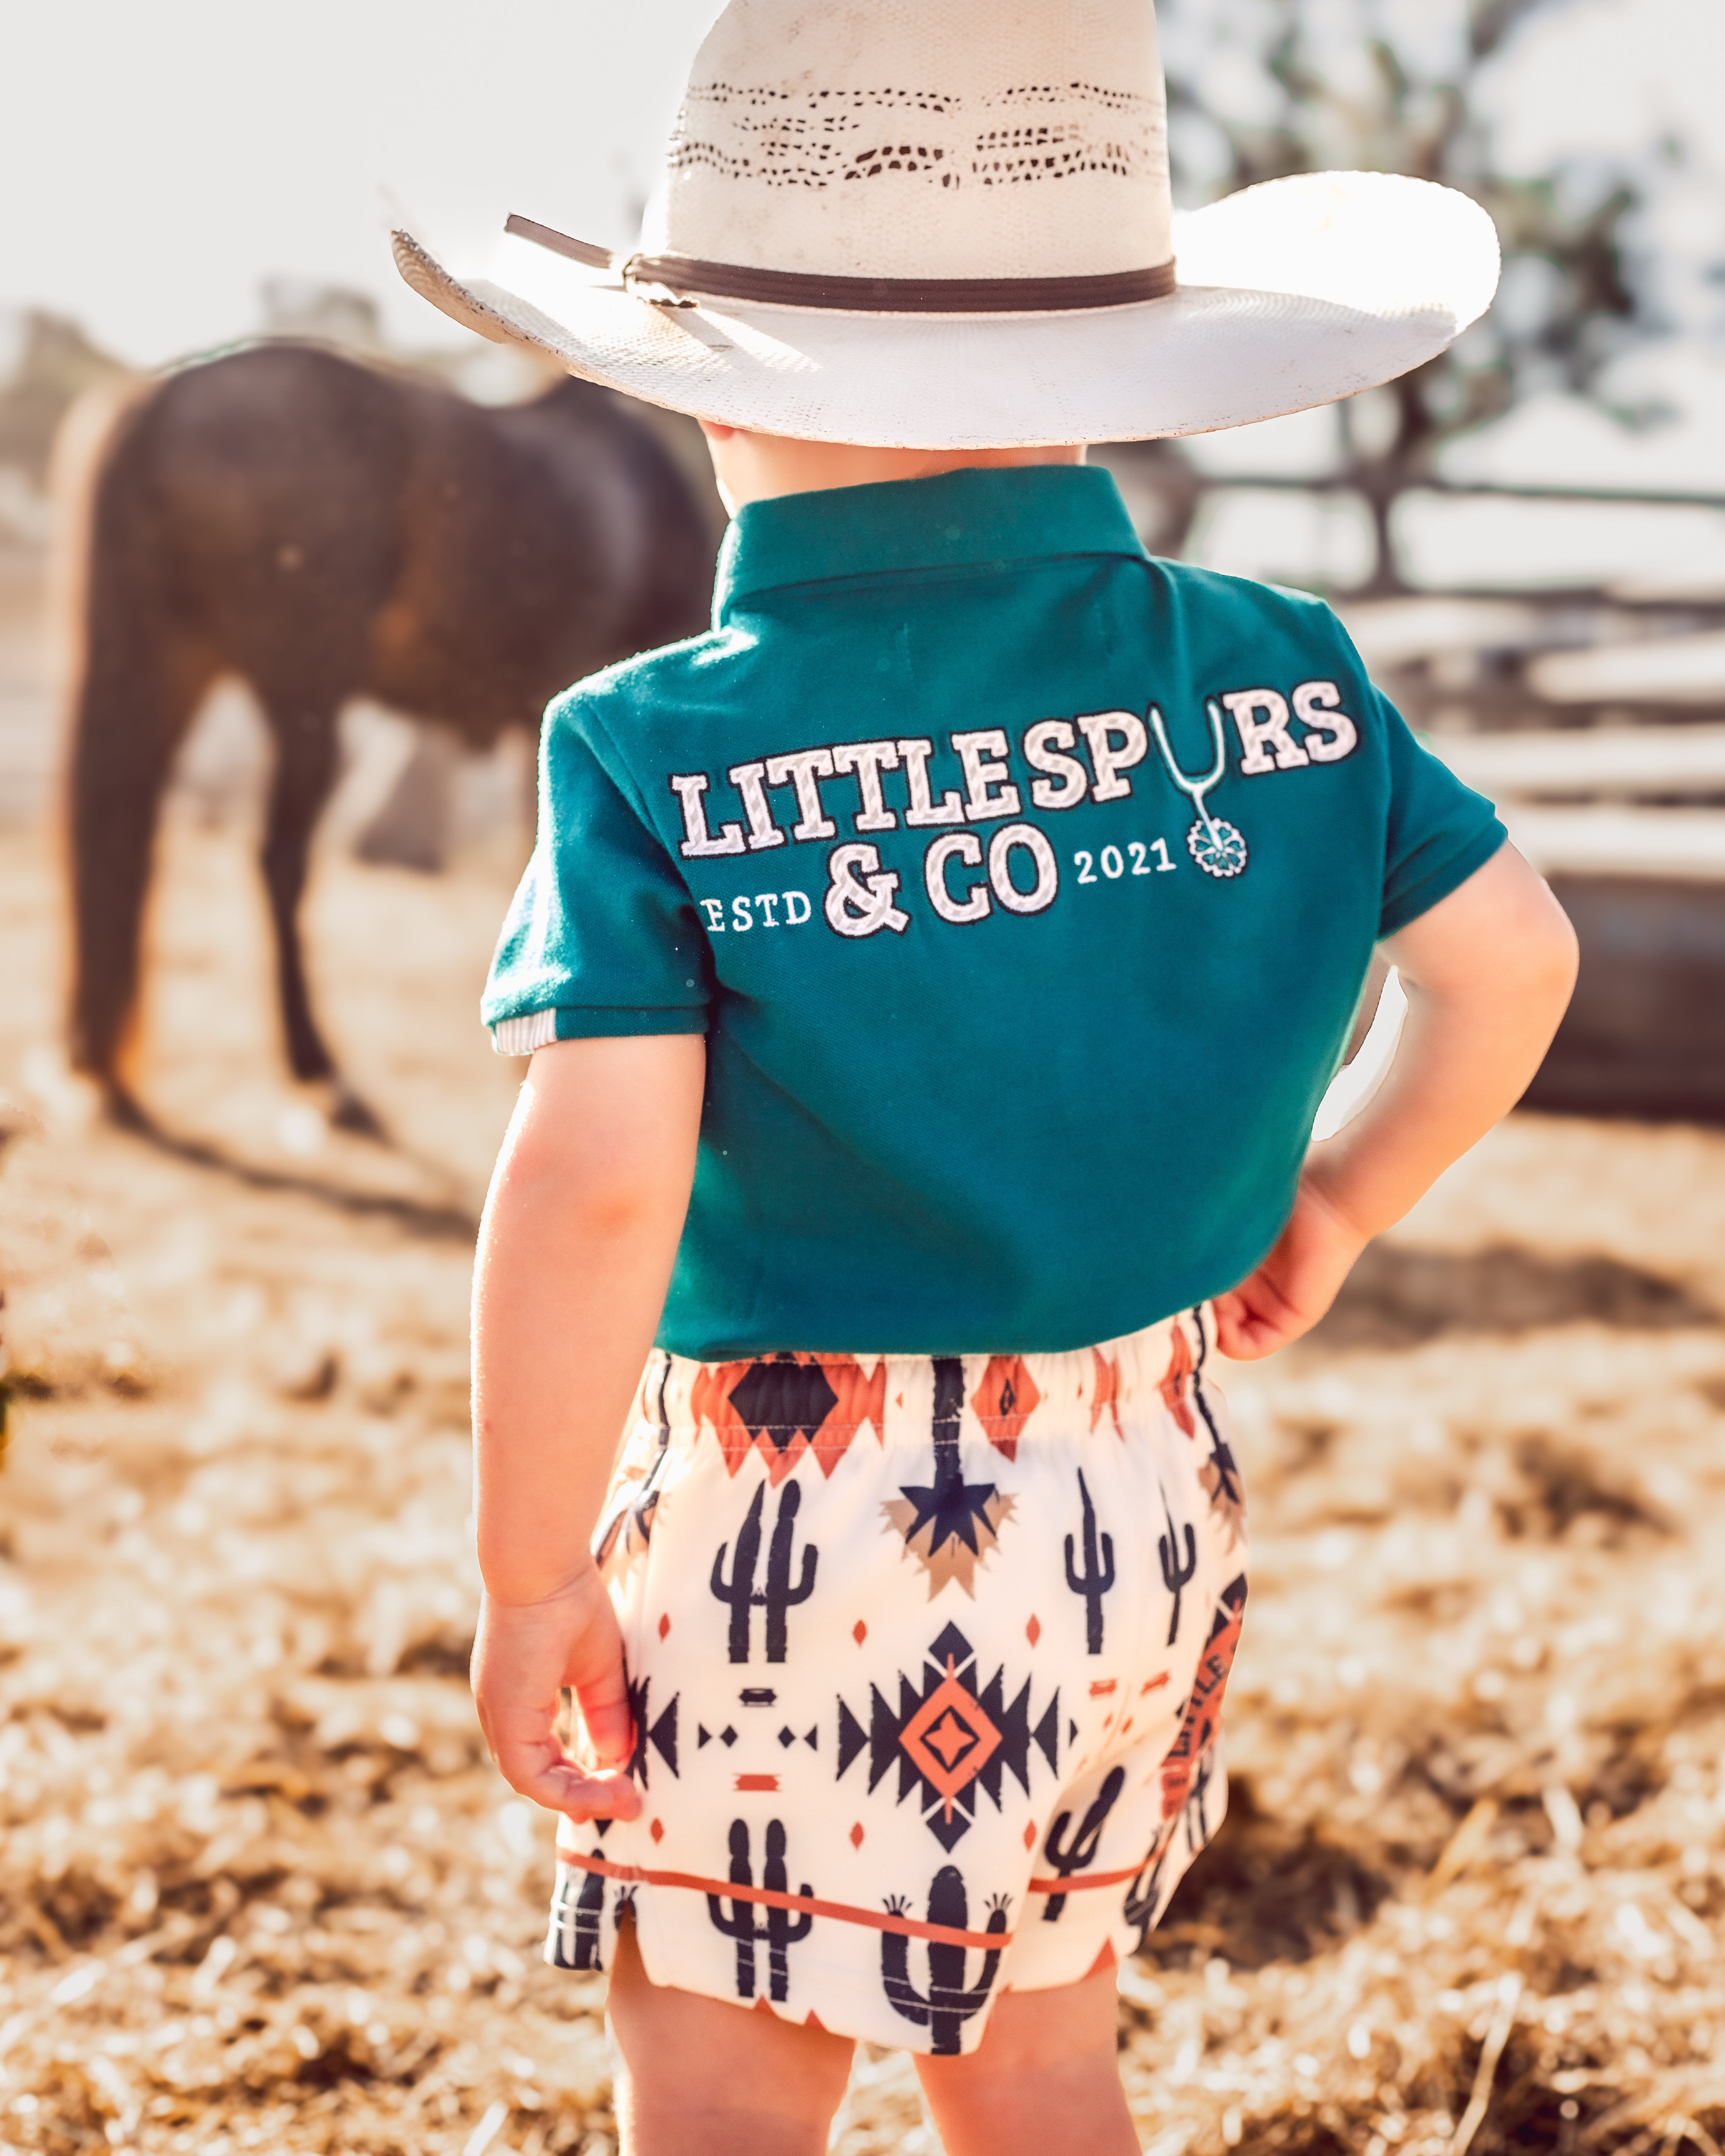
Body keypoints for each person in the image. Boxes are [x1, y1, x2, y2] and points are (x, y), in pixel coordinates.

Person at [394, 4, 1577, 2149]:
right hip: (1140, 1492)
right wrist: (1336, 1199)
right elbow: (1515, 964)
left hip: (796, 1502)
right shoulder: (1287, 670)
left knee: (725, 2074)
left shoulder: (654, 746)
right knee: (1035, 2051)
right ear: (1108, 369)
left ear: (709, 386)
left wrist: (532, 1571)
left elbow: (597, 1187)